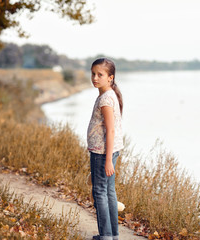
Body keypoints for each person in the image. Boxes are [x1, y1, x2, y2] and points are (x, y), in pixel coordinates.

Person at [87, 58, 124, 240]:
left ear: (110, 77)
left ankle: (106, 236)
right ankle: (113, 235)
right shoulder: (108, 95)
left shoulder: (106, 99)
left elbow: (110, 130)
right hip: (107, 151)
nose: (95, 78)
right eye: (93, 73)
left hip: (102, 153)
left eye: (100, 75)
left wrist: (108, 159)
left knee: (100, 192)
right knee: (108, 192)